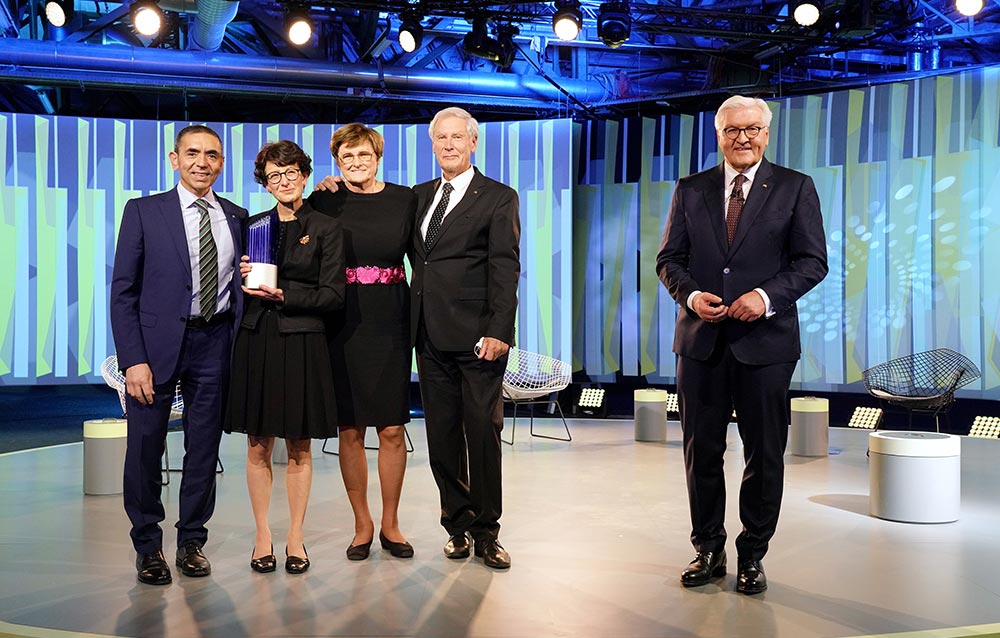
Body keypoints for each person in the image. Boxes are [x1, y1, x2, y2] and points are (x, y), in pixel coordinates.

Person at [655, 95, 828, 594]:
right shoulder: (691, 189)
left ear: (767, 134)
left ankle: (752, 554)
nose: (743, 137)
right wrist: (688, 296)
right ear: (719, 135)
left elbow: (812, 262)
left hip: (766, 344)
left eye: (752, 129)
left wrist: (763, 296)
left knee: (764, 453)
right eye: (733, 130)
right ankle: (707, 549)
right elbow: (670, 259)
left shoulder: (795, 188)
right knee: (700, 452)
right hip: (701, 342)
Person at [110, 124, 247, 586]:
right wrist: (133, 359)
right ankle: (148, 546)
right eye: (192, 153)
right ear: (174, 159)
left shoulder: (238, 216)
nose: (201, 162)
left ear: (221, 163)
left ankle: (191, 541)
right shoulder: (144, 211)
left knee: (204, 451)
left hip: (215, 345)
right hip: (154, 350)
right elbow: (123, 291)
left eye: (211, 154)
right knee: (145, 451)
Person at [226, 140, 345, 575]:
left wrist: (285, 294)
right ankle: (262, 536)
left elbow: (334, 295)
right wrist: (242, 279)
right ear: (265, 182)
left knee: (299, 445)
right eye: (273, 175)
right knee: (258, 443)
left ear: (304, 174)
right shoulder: (253, 226)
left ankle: (295, 536)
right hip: (258, 339)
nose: (282, 181)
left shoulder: (327, 228)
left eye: (289, 172)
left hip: (303, 340)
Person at [411, 107, 521, 570]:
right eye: (441, 139)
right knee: (441, 438)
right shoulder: (417, 196)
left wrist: (499, 331)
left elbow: (505, 267)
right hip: (428, 336)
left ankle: (487, 530)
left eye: (458, 138)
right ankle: (456, 525)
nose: (449, 145)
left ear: (473, 143)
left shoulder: (498, 196)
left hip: (479, 340)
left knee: (482, 435)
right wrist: (327, 189)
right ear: (432, 145)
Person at [308, 124, 417, 561]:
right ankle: (362, 524)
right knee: (349, 428)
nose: (355, 163)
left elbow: (422, 260)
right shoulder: (325, 199)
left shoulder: (405, 199)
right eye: (346, 157)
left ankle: (391, 523)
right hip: (341, 320)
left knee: (392, 428)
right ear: (337, 161)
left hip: (391, 318)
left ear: (378, 156)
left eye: (363, 155)